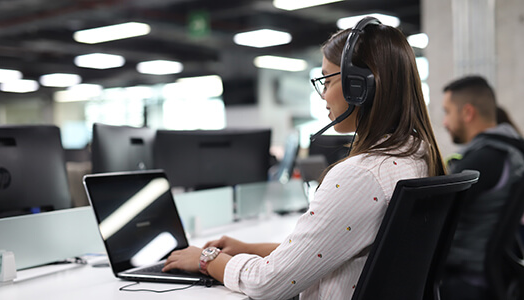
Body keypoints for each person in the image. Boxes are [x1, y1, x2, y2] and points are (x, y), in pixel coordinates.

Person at [163, 18, 446, 300]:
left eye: (327, 80)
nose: (323, 95)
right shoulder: (417, 154)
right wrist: (248, 248)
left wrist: (206, 259)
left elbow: (267, 284)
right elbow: (332, 251)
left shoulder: (360, 176)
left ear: (360, 86)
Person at [440, 75, 524, 300]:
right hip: (491, 283)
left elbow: (435, 215)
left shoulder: (482, 161)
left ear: (467, 113)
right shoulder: (509, 151)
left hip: (465, 284)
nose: (444, 122)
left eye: (447, 112)